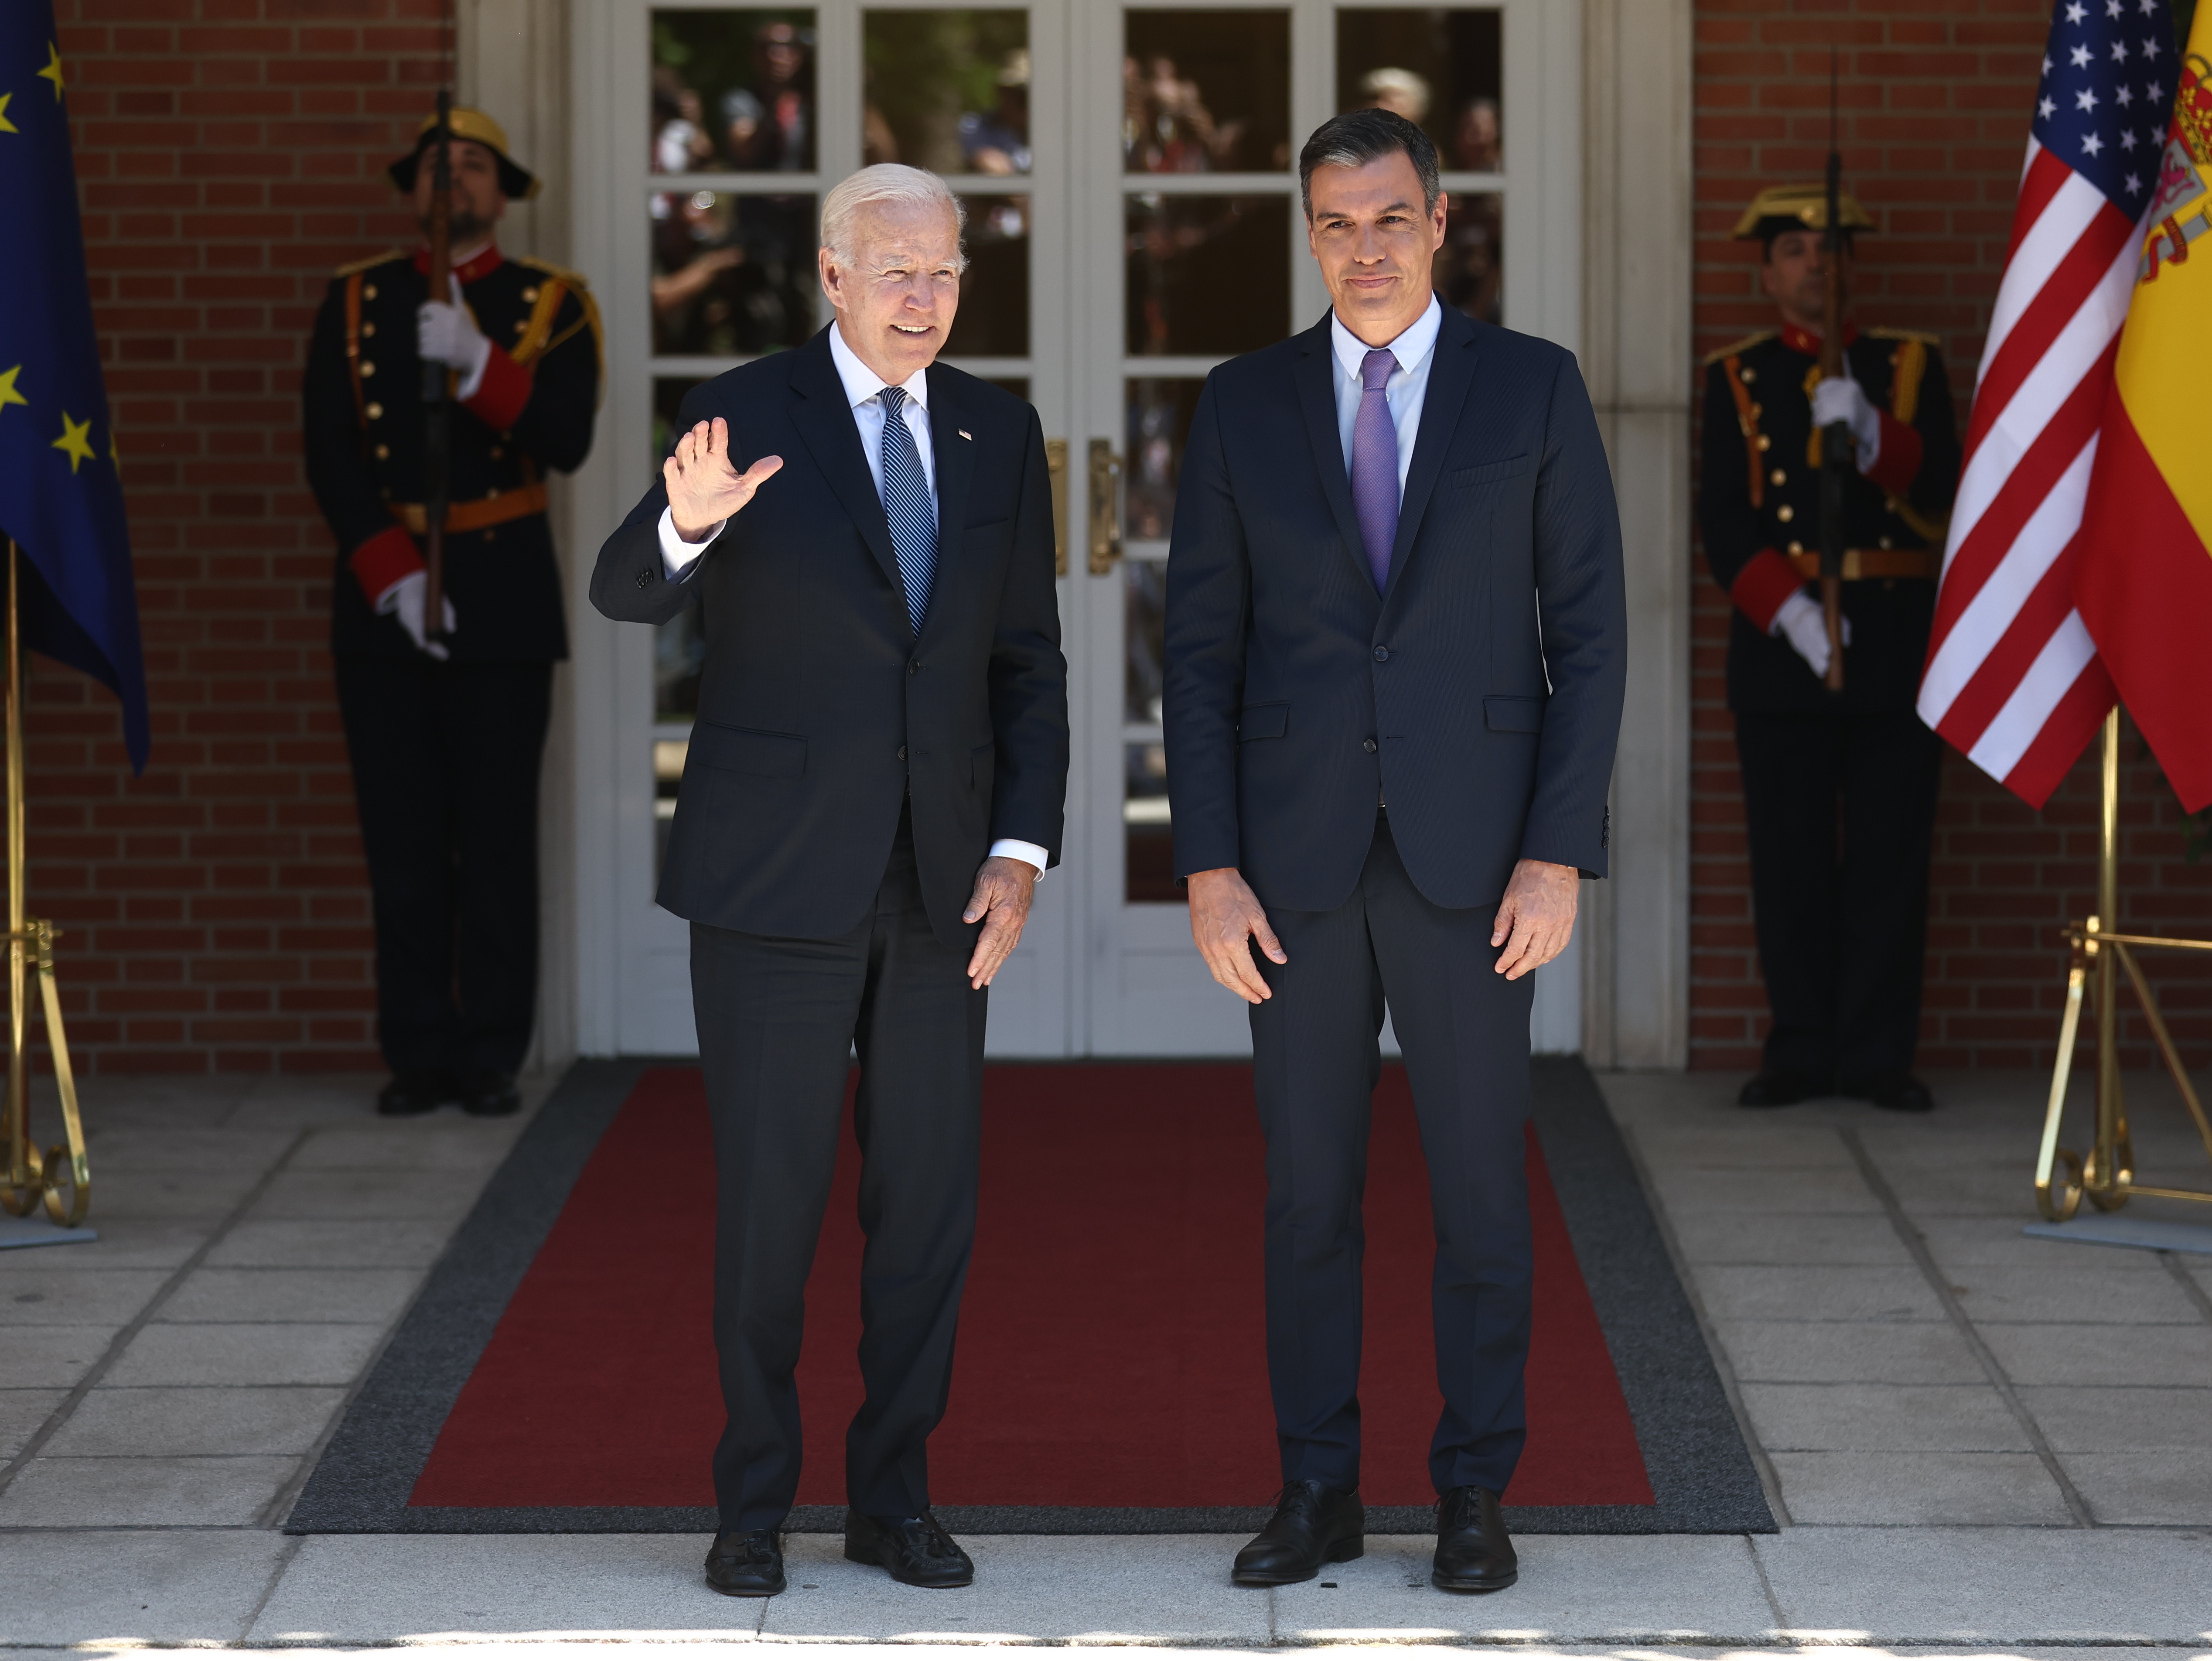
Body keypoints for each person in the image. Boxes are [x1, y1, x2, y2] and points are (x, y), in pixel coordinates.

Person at [589, 164, 1068, 1599]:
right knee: (772, 1203)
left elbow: (1027, 664)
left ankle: (891, 1498)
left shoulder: (997, 427)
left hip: (942, 884)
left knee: (925, 1207)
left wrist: (1021, 847)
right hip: (772, 880)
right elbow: (626, 585)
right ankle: (750, 1505)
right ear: (834, 276)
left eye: (946, 274)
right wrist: (688, 524)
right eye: (897, 271)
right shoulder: (743, 408)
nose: (925, 298)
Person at [1163, 109, 1625, 1594]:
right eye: (1334, 223)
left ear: (1440, 222)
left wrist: (1558, 853)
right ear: (1311, 233)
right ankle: (1317, 1485)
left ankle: (1475, 1488)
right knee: (1307, 1192)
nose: (1362, 248)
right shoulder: (1241, 404)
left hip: (1479, 862)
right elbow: (1198, 655)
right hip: (1288, 869)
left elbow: (1594, 643)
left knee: (1483, 1184)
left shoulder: (1534, 392)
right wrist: (1208, 863)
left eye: (1388, 218)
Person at [302, 108, 601, 1119]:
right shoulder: (355, 301)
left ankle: (489, 1051)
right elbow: (330, 450)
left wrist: (478, 367)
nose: (451, 181)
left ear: (503, 191)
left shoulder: (549, 303)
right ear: (410, 190)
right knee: (404, 841)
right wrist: (391, 572)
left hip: (502, 592)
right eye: (435, 166)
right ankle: (418, 1048)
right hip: (385, 598)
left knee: (495, 837)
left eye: (471, 166)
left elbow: (565, 438)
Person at [1700, 184, 1959, 1114]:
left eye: (1831, 246)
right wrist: (1797, 616)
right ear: (1767, 272)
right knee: (1791, 862)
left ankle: (1879, 1052)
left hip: (1892, 640)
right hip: (1784, 652)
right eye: (1798, 248)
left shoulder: (1905, 364)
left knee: (1891, 859)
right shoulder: (1737, 376)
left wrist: (1875, 432)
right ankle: (1802, 1047)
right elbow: (1723, 523)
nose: (1818, 261)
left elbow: (1943, 486)